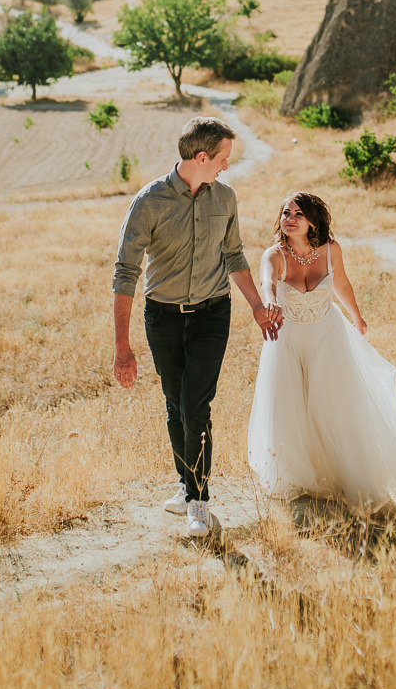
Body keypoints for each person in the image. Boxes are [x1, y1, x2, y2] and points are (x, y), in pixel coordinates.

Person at [113, 115, 280, 537]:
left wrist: (258, 306)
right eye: (223, 158)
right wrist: (122, 346)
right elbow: (125, 273)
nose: (227, 165)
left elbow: (235, 255)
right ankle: (187, 486)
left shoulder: (225, 197)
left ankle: (199, 502)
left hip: (211, 315)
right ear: (202, 157)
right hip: (163, 318)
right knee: (174, 404)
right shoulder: (148, 201)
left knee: (195, 407)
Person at [248, 191, 396, 514]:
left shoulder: (330, 250)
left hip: (328, 335)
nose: (290, 219)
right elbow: (267, 283)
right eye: (285, 213)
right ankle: (299, 477)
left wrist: (356, 316)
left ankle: (341, 472)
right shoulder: (274, 255)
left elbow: (342, 284)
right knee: (291, 407)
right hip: (288, 340)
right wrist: (270, 301)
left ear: (313, 220)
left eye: (297, 213)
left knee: (333, 404)